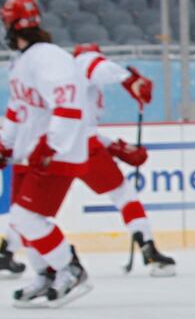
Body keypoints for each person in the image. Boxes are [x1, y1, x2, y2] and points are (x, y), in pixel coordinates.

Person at [0, 0, 93, 307]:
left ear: (10, 25)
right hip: (31, 153)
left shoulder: (48, 57)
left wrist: (51, 144)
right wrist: (2, 146)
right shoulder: (21, 61)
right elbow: (18, 109)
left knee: (26, 216)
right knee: (21, 220)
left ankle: (71, 269)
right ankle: (45, 274)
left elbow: (68, 101)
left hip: (54, 153)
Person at [72, 43, 176, 276]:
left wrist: (116, 147)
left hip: (62, 146)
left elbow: (83, 126)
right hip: (83, 147)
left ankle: (5, 253)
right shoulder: (83, 64)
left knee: (33, 211)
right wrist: (130, 80)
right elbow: (97, 66)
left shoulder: (72, 85)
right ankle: (148, 247)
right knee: (124, 194)